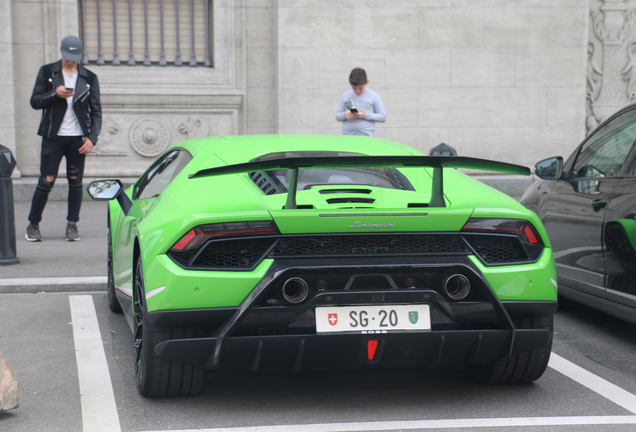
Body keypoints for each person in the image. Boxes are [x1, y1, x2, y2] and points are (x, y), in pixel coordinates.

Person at [26, 35, 102, 242]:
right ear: (61, 52)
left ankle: (72, 224)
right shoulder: (48, 72)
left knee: (75, 183)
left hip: (78, 139)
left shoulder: (89, 78)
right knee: (46, 181)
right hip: (53, 138)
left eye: (74, 57)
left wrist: (92, 138)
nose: (70, 61)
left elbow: (96, 111)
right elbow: (35, 101)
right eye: (67, 56)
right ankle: (33, 224)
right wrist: (54, 94)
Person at [335, 67, 386, 137]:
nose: (357, 91)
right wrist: (345, 115)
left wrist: (365, 115)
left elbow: (383, 117)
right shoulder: (346, 95)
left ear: (367, 82)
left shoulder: (374, 96)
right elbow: (338, 116)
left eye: (360, 88)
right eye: (354, 88)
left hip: (367, 137)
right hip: (347, 137)